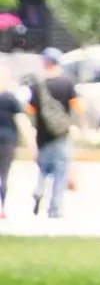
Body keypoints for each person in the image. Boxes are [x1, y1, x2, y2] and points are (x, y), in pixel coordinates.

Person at [27, 48, 76, 218]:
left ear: (44, 63)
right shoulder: (67, 83)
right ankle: (54, 209)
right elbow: (77, 106)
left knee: (43, 169)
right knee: (60, 172)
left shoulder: (36, 85)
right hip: (61, 135)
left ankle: (39, 189)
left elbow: (31, 111)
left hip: (42, 137)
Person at [0, 76, 20, 217]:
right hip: (7, 140)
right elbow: (20, 119)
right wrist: (32, 140)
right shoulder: (11, 99)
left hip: (7, 140)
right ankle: (2, 207)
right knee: (4, 175)